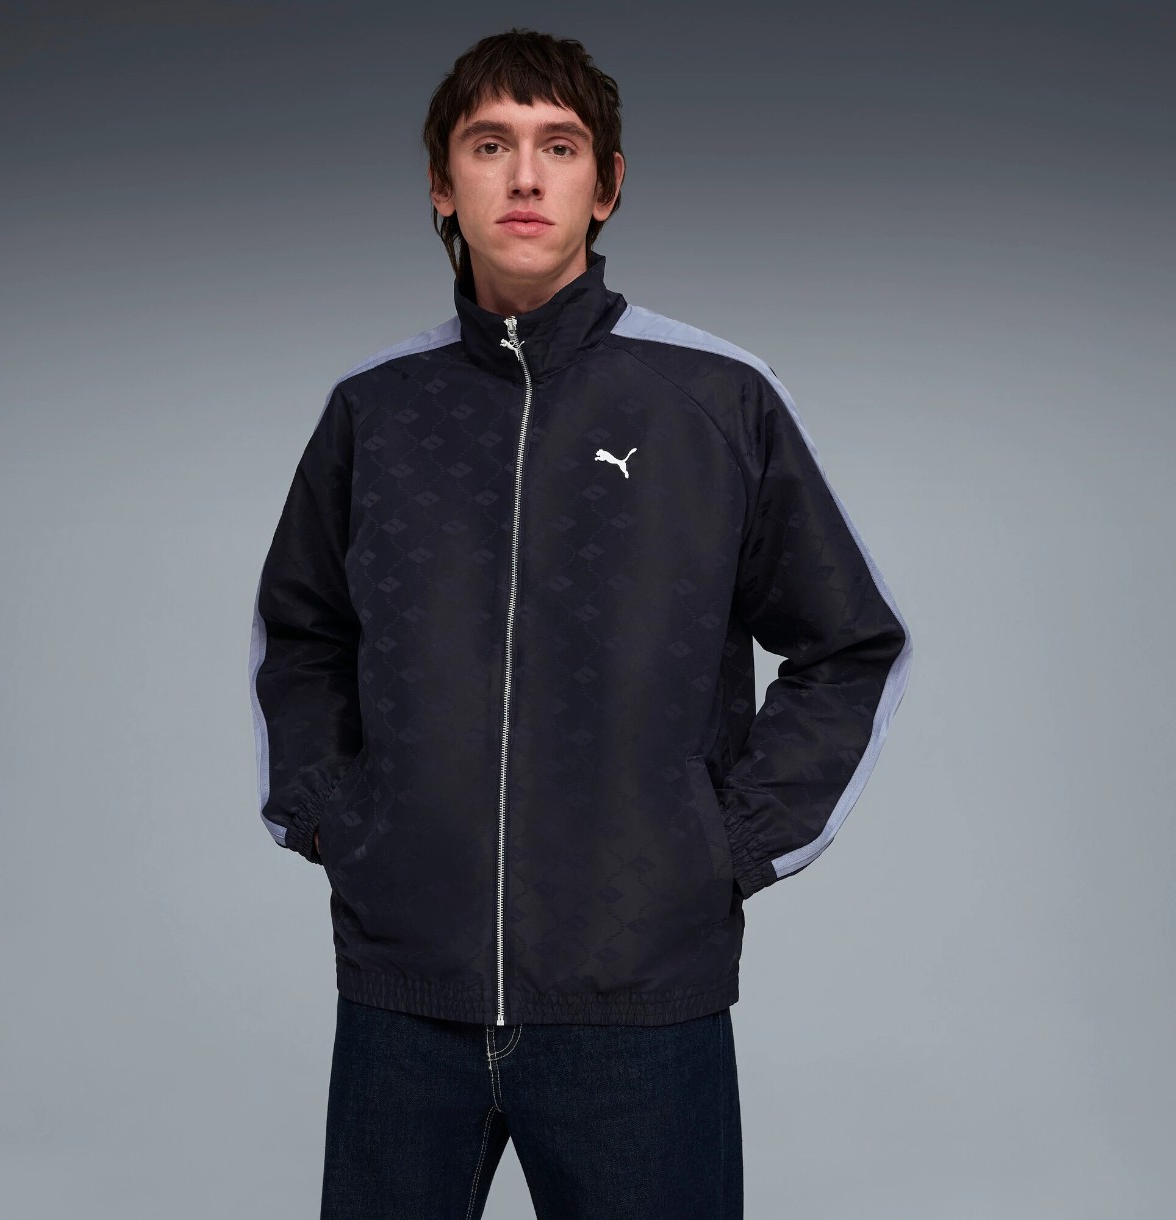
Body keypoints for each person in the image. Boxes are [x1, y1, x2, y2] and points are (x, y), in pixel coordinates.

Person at [248, 27, 913, 1220]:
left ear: (604, 186)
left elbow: (848, 641)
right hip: (406, 993)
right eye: (488, 144)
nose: (523, 175)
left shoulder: (712, 397)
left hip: (638, 1001)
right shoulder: (375, 410)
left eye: (558, 147)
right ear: (440, 185)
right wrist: (334, 812)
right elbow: (300, 631)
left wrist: (721, 844)